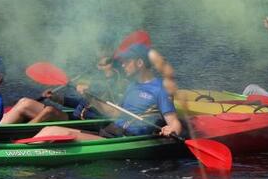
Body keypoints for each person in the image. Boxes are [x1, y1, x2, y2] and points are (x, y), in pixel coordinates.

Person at [31, 44, 182, 140]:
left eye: (126, 61)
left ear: (140, 63)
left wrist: (171, 129)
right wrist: (90, 98)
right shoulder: (133, 86)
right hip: (112, 132)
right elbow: (115, 114)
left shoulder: (160, 89)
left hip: (126, 138)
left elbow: (174, 123)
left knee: (54, 131)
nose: (122, 65)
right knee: (49, 130)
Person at [0, 51, 124, 124]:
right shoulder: (96, 81)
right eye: (100, 65)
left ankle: (17, 134)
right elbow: (79, 103)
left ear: (114, 64)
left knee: (49, 111)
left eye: (107, 63)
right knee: (25, 102)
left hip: (84, 122)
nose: (103, 68)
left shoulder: (119, 83)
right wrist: (56, 98)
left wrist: (88, 93)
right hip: (75, 116)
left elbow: (112, 111)